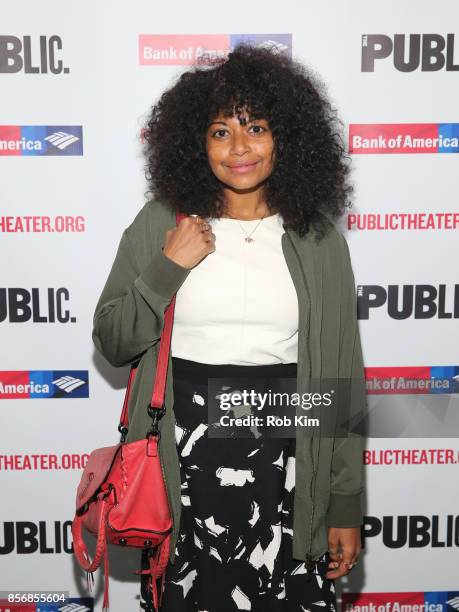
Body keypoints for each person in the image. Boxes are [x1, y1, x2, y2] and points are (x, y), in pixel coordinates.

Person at [92, 43, 366, 612]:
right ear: (197, 142)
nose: (239, 148)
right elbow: (114, 341)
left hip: (292, 457)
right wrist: (167, 267)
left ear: (284, 138)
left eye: (256, 128)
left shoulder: (319, 242)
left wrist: (343, 505)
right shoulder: (161, 223)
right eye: (220, 132)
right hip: (184, 458)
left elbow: (340, 383)